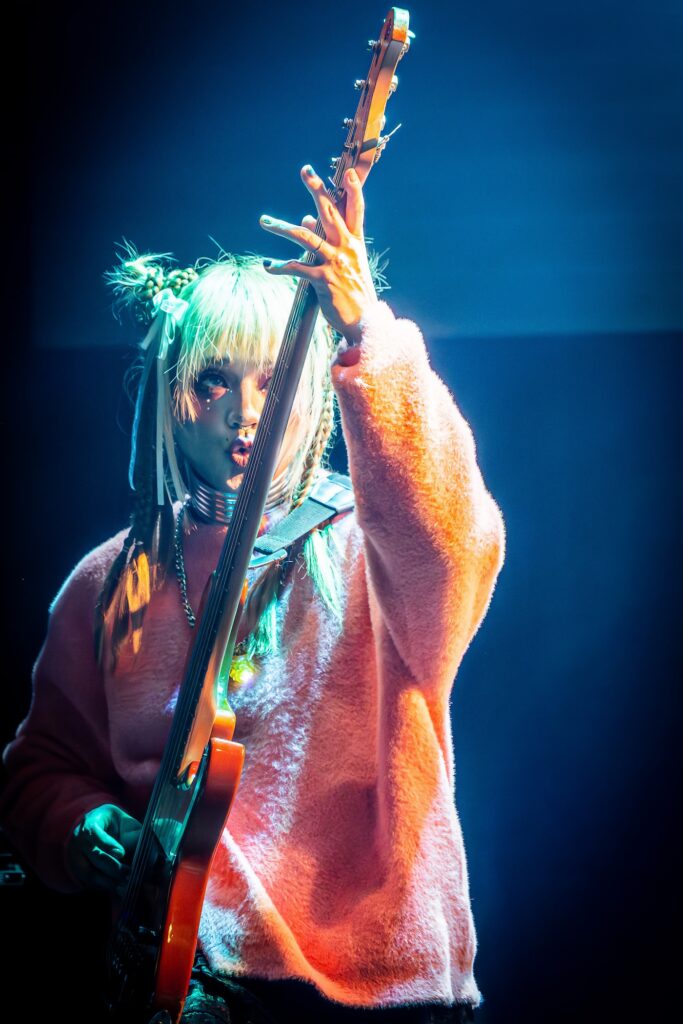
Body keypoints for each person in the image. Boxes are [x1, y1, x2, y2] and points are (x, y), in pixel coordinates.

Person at [0, 164, 505, 1023]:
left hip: (378, 987)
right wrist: (81, 825)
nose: (242, 412)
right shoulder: (109, 580)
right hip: (186, 982)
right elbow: (37, 771)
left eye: (272, 380)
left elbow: (456, 544)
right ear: (171, 397)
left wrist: (369, 336)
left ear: (311, 388)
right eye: (212, 380)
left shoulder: (370, 543)